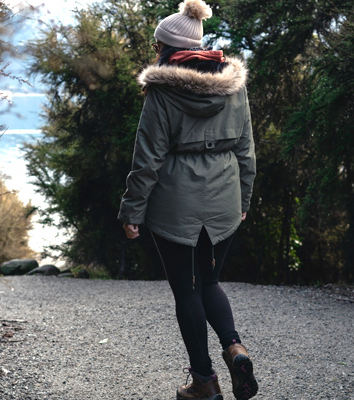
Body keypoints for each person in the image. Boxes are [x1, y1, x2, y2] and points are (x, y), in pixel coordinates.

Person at [117, 1, 258, 399]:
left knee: (187, 290)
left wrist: (132, 210)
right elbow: (247, 151)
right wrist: (243, 199)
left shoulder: (161, 92)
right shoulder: (234, 85)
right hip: (225, 198)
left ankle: (204, 382)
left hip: (176, 203)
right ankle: (235, 349)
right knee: (210, 280)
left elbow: (147, 160)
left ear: (165, 47)